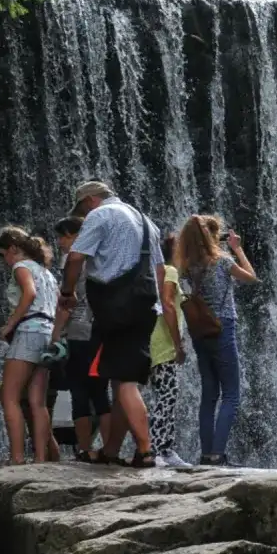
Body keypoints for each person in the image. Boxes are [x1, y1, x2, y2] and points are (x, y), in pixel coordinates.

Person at [58, 181, 163, 469]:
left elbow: (76, 257)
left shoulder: (100, 215)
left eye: (82, 208)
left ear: (90, 200)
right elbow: (159, 269)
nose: (82, 215)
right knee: (120, 377)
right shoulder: (146, 221)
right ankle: (111, 450)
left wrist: (67, 292)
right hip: (145, 304)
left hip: (116, 306)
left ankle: (145, 451)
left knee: (125, 383)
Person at [174, 214, 257, 466]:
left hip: (200, 332)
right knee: (231, 394)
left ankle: (205, 455)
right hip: (223, 327)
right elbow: (251, 277)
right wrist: (237, 248)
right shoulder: (222, 261)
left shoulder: (186, 267)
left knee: (209, 394)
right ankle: (217, 454)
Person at [0, 226, 59, 465]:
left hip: (29, 331)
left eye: (4, 255)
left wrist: (10, 324)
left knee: (9, 396)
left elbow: (29, 294)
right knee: (37, 402)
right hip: (47, 333)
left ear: (13, 248)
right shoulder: (46, 272)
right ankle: (41, 459)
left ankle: (17, 458)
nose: (5, 261)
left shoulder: (21, 267)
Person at [52, 215, 113, 462]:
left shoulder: (73, 262)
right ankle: (109, 449)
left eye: (64, 236)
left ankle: (85, 449)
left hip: (78, 333)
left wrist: (56, 333)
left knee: (79, 392)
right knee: (101, 393)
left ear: (77, 235)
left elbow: (67, 304)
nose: (60, 242)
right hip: (101, 332)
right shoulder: (102, 260)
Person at [146, 232, 189, 467]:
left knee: (162, 397)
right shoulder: (169, 271)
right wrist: (178, 344)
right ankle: (160, 450)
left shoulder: (155, 271)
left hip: (151, 342)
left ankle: (158, 449)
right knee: (167, 397)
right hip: (163, 345)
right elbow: (168, 306)